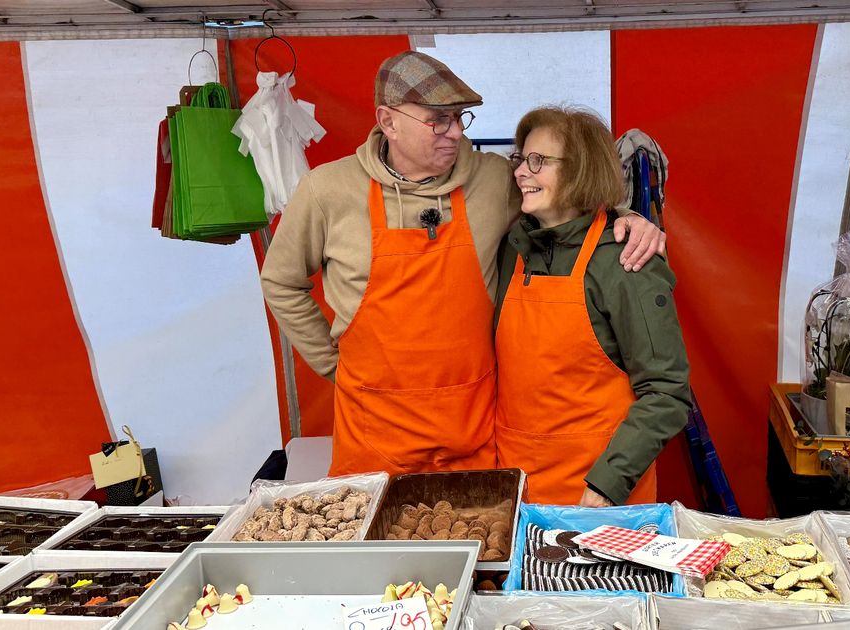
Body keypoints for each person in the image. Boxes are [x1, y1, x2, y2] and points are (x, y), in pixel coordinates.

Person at [260, 52, 666, 478]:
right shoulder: (326, 191)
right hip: (373, 432)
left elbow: (569, 193)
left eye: (459, 118)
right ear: (389, 121)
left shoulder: (493, 179)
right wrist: (333, 365)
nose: (455, 132)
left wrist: (628, 216)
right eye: (438, 120)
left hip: (472, 433)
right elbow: (281, 281)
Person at [494, 106, 692, 507]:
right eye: (520, 159)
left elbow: (667, 392)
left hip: (598, 496)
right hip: (516, 490)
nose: (519, 172)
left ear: (580, 170)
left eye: (538, 161)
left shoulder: (626, 261)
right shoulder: (510, 249)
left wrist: (606, 484)